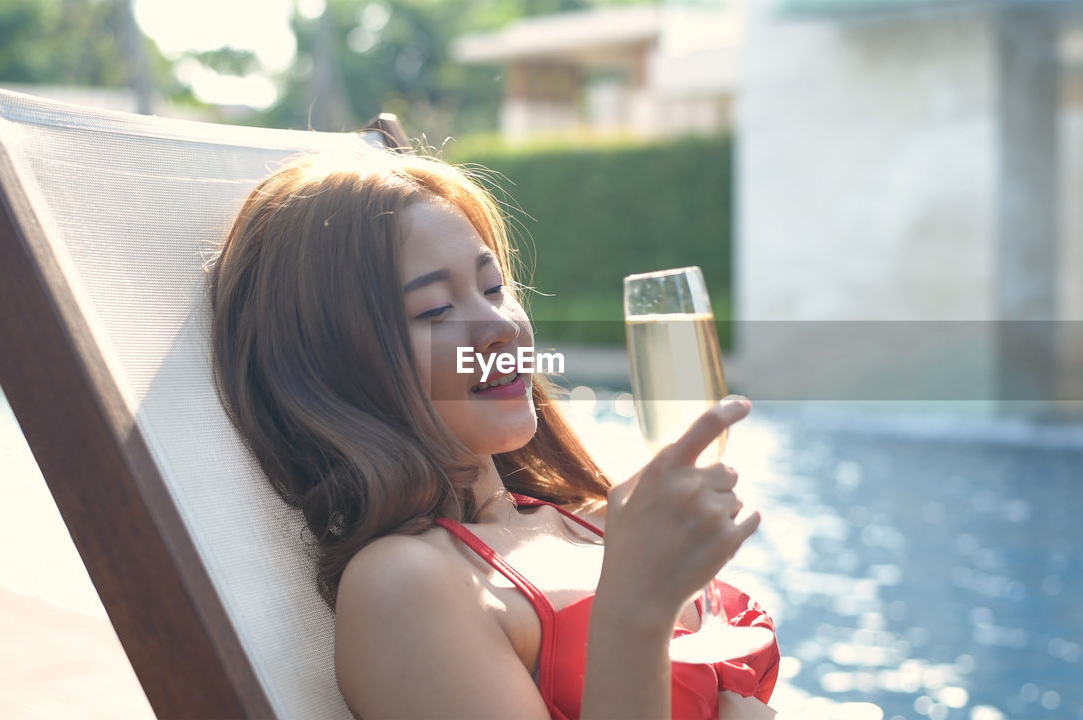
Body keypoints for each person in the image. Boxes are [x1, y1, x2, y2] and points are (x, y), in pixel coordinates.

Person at [207, 149, 780, 720]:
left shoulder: (588, 520)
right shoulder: (404, 585)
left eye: (494, 288)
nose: (502, 328)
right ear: (332, 365)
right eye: (435, 310)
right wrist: (636, 610)